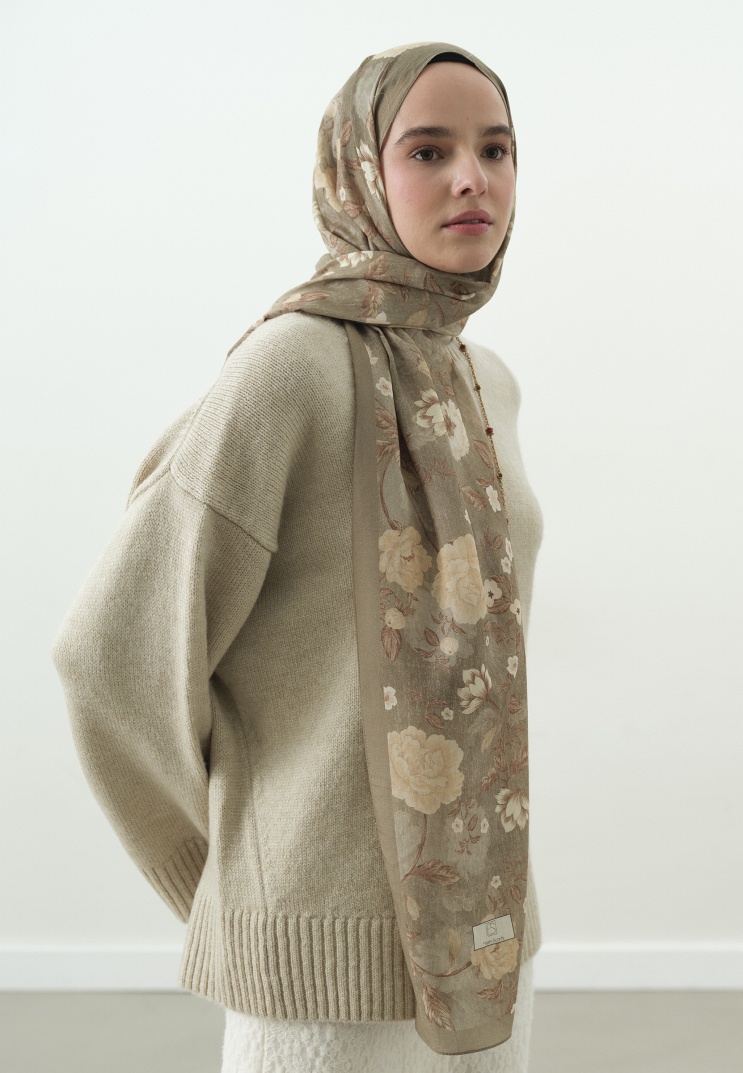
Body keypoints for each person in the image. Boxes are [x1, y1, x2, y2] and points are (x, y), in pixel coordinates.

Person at [51, 41, 545, 1073]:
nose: (471, 177)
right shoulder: (290, 368)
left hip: (487, 929)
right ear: (358, 172)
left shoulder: (484, 380)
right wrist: (225, 871)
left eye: (494, 148)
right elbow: (108, 654)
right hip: (319, 951)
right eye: (428, 150)